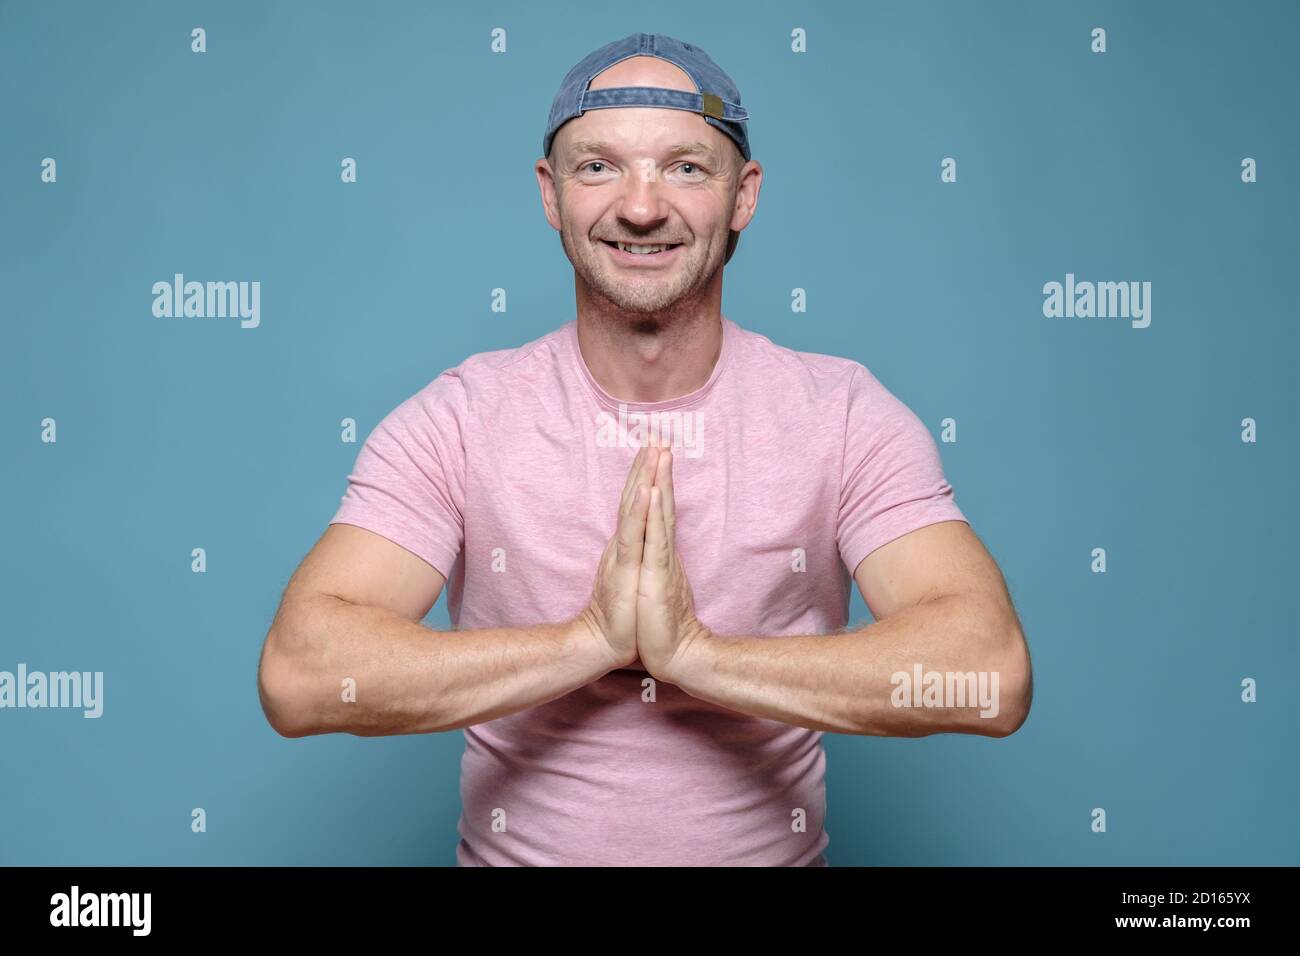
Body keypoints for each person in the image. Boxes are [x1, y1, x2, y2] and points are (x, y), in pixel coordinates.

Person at [256, 33, 1033, 867]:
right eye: (599, 167)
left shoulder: (841, 415)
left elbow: (989, 672)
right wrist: (588, 641)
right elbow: (300, 675)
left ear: (744, 195)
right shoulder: (458, 420)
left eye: (687, 168)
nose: (640, 206)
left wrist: (695, 656)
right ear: (551, 195)